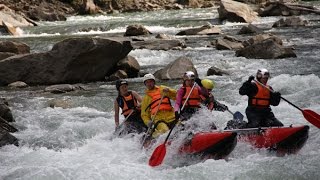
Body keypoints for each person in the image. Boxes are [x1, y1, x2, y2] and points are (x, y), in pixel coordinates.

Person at [140, 73, 177, 139]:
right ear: (145, 84)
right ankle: (154, 135)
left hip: (171, 116)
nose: (149, 84)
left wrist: (170, 91)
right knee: (165, 131)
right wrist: (148, 122)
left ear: (154, 82)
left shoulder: (162, 89)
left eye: (151, 81)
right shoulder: (146, 98)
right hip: (158, 119)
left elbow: (176, 96)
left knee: (180, 127)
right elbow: (144, 114)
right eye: (147, 82)